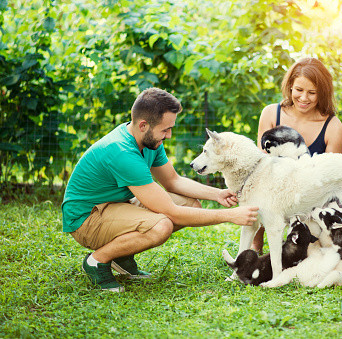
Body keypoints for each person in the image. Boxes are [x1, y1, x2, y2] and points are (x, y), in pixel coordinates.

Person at [62, 87, 259, 292]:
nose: (169, 135)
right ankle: (97, 261)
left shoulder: (149, 141)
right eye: (165, 130)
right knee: (161, 225)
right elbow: (171, 212)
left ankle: (120, 256)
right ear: (143, 125)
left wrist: (216, 194)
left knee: (190, 203)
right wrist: (230, 215)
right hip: (86, 218)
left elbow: (173, 181)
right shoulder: (122, 151)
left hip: (115, 205)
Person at [251, 57, 342, 253]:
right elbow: (261, 163)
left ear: (323, 93)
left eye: (312, 93)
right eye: (299, 90)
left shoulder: (333, 126)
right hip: (273, 187)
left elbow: (329, 180)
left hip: (311, 195)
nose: (304, 98)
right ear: (290, 87)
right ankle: (255, 244)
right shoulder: (271, 114)